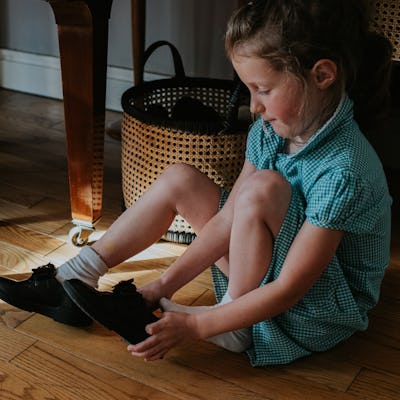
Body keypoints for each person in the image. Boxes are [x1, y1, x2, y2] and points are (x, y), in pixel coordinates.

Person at [0, 0, 393, 366]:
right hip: (260, 273)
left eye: (264, 89)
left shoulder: (345, 170)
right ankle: (76, 275)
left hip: (314, 308)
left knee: (264, 188)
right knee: (181, 178)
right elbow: (227, 220)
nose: (254, 105)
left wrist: (201, 325)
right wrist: (159, 289)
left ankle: (234, 324)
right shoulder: (271, 131)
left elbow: (290, 286)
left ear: (322, 75)